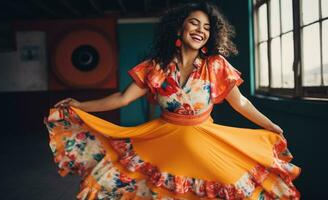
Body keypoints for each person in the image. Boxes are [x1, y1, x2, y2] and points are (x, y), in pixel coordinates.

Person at [45, 1, 301, 199]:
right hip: (163, 144)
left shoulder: (216, 65)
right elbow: (122, 99)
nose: (200, 30)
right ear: (180, 28)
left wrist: (269, 125)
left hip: (205, 145)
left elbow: (241, 103)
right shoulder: (156, 67)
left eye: (207, 27)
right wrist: (81, 105)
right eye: (194, 23)